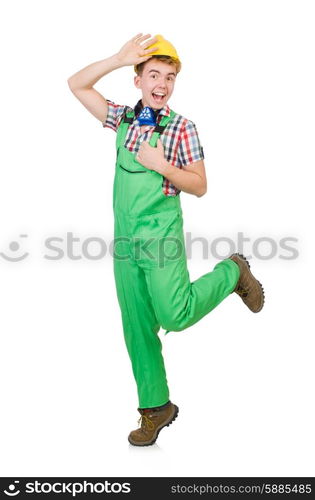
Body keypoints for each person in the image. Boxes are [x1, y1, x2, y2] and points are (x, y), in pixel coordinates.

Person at [67, 33, 265, 447]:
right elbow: (77, 84)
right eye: (154, 74)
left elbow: (200, 185)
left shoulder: (181, 128)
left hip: (160, 238)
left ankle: (232, 272)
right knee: (137, 327)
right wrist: (118, 58)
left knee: (175, 314)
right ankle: (155, 407)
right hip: (124, 242)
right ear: (137, 79)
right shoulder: (121, 119)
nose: (162, 84)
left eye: (170, 77)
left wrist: (163, 165)